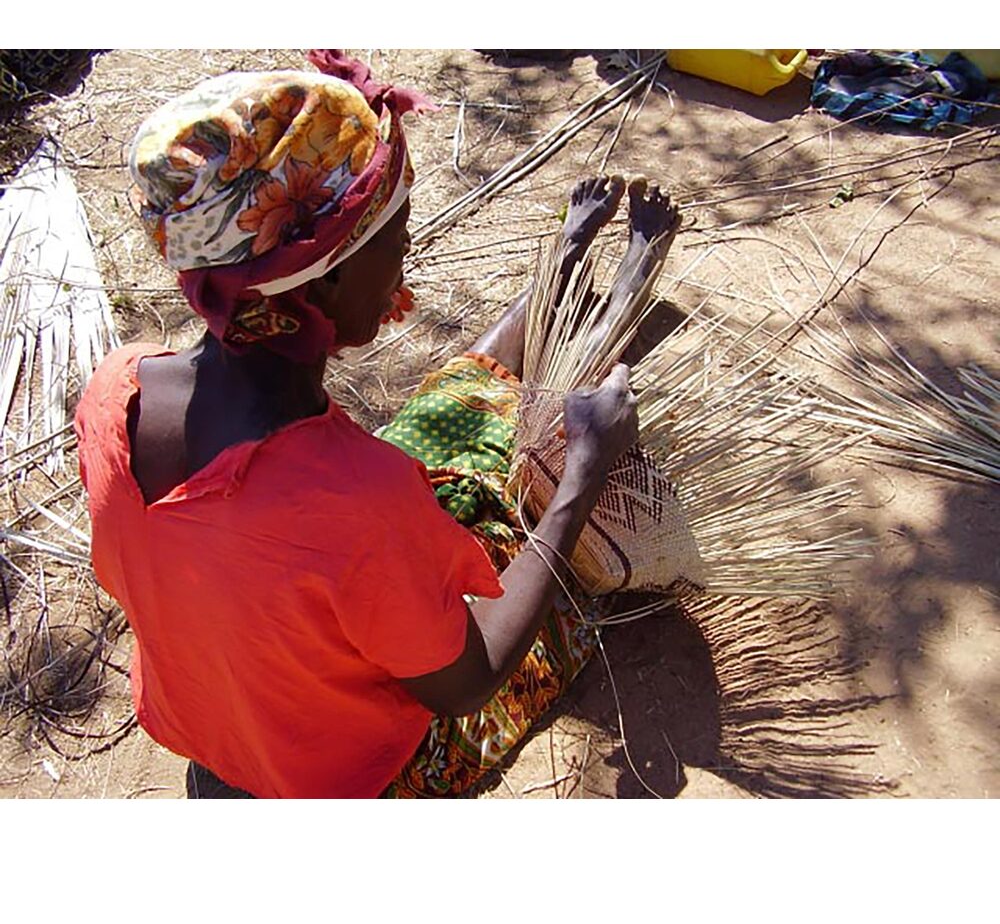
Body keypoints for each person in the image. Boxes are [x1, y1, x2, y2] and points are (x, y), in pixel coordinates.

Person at [74, 52, 680, 798]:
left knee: (447, 408)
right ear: (323, 272)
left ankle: (562, 274)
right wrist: (583, 476)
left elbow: (249, 548)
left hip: (223, 734)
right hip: (353, 779)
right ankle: (613, 299)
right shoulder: (359, 496)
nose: (406, 261)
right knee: (558, 562)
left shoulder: (114, 391)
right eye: (394, 238)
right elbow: (467, 684)